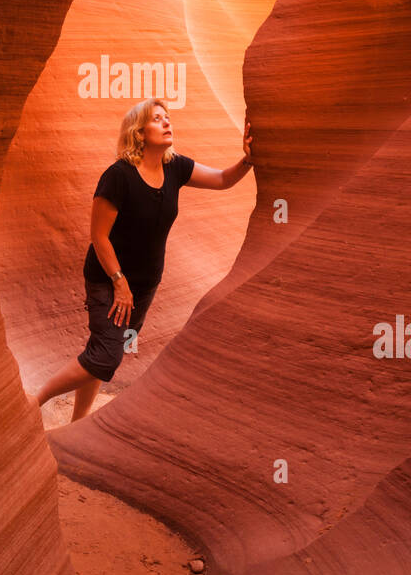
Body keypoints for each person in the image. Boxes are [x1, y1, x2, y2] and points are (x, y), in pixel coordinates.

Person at [34, 97, 253, 422]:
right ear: (139, 132)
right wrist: (119, 283)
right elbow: (99, 236)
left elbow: (222, 180)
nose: (167, 122)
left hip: (144, 285)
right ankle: (32, 401)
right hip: (109, 279)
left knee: (102, 353)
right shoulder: (118, 176)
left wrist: (248, 160)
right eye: (157, 118)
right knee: (106, 358)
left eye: (168, 117)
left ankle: (77, 424)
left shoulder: (175, 166)